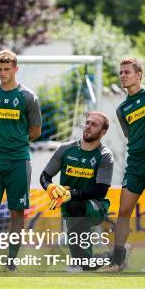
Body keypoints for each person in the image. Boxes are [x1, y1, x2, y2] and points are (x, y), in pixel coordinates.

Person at [100, 57, 145, 273]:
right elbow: (130, 135)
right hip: (135, 164)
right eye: (121, 73)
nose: (123, 76)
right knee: (123, 210)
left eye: (127, 72)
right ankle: (117, 262)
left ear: (139, 75)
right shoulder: (122, 109)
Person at [0, 50, 42, 272]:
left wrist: (16, 142)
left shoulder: (28, 96)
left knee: (17, 211)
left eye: (7, 69)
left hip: (18, 161)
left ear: (16, 69)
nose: (3, 73)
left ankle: (11, 260)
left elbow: (36, 130)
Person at [40, 112, 114, 272]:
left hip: (96, 205)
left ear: (103, 132)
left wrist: (71, 194)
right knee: (66, 236)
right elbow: (45, 176)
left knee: (75, 206)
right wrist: (50, 187)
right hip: (69, 206)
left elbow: (101, 190)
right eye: (87, 122)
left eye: (94, 124)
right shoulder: (65, 149)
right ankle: (112, 256)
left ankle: (78, 263)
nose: (88, 126)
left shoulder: (105, 155)